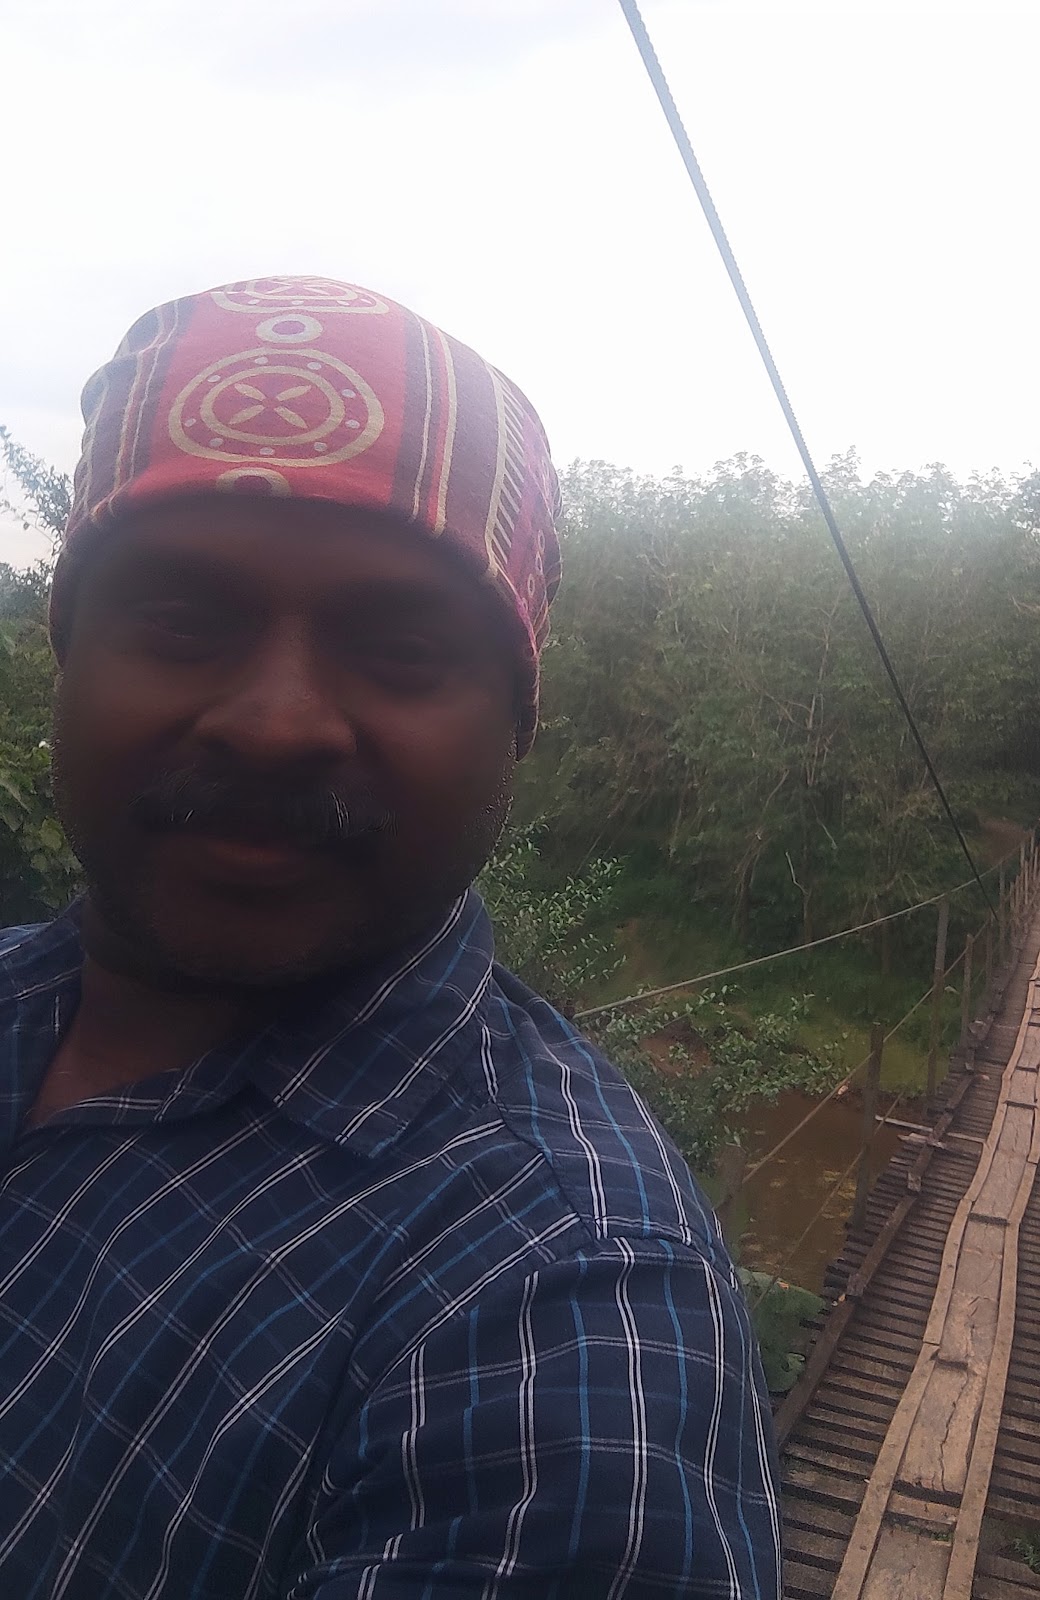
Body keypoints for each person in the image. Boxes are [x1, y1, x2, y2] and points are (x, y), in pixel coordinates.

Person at [0, 278, 780, 1597]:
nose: (274, 720)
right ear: (67, 651)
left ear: (516, 725)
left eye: (400, 647)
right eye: (184, 623)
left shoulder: (558, 1306)